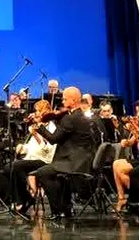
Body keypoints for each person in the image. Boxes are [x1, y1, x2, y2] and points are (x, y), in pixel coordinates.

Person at [31, 86, 103, 219]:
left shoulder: (70, 119)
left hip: (74, 161)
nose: (62, 102)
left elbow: (53, 139)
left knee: (43, 173)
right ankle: (66, 207)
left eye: (65, 99)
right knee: (56, 174)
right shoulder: (81, 116)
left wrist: (39, 126)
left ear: (73, 100)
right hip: (83, 159)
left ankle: (58, 210)